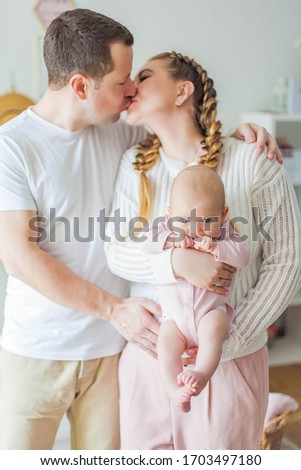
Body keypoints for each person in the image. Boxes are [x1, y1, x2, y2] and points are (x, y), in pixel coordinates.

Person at [0, 8, 283, 450]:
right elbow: (20, 257)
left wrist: (249, 134)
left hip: (116, 349)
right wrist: (133, 294)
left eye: (138, 77)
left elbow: (192, 145)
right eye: (124, 80)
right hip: (47, 345)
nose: (131, 90)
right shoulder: (15, 147)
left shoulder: (120, 132)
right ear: (80, 87)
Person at [104, 51, 301, 449]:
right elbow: (117, 251)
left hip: (229, 360)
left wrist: (228, 337)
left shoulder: (253, 161)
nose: (130, 88)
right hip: (150, 357)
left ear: (183, 90)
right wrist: (176, 263)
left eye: (143, 77)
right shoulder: (134, 165)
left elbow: (286, 262)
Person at [140, 165, 249, 413]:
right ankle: (174, 390)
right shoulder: (166, 229)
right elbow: (144, 241)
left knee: (213, 331)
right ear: (170, 215)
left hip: (210, 312)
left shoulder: (225, 235)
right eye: (184, 221)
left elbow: (243, 255)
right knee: (165, 346)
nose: (195, 229)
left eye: (207, 221)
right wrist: (170, 241)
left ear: (223, 215)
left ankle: (201, 373)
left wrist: (217, 249)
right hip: (174, 319)